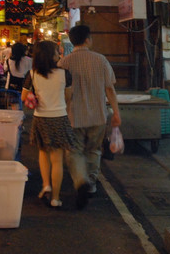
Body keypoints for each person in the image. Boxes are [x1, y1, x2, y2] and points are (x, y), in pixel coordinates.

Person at [58, 25, 121, 197]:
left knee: (74, 151)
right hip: (98, 115)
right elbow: (110, 89)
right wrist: (116, 112)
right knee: (94, 150)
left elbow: (59, 91)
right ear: (87, 39)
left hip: (73, 116)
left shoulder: (64, 62)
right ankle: (91, 183)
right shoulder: (101, 60)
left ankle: (80, 181)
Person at [21, 41, 79, 208]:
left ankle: (46, 184)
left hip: (41, 118)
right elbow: (68, 97)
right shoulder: (65, 74)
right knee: (57, 160)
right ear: (50, 55)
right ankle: (55, 197)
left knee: (43, 153)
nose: (59, 54)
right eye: (56, 51)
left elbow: (24, 97)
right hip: (59, 117)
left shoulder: (32, 74)